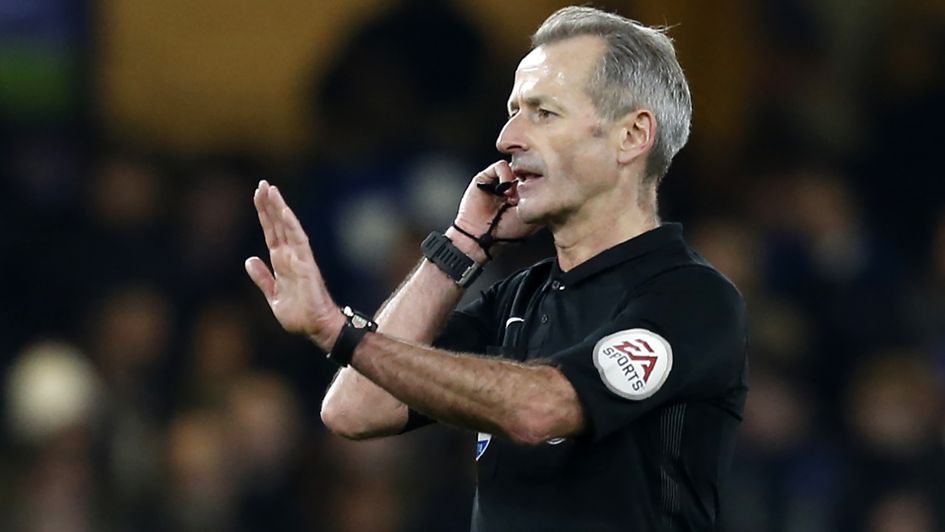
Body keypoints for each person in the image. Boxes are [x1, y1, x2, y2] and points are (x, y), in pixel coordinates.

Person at [245, 6, 747, 531]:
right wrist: (459, 248)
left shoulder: (691, 298)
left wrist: (336, 329)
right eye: (513, 110)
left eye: (543, 113)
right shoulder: (517, 300)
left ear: (631, 136)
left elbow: (540, 409)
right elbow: (357, 408)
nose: (507, 137)